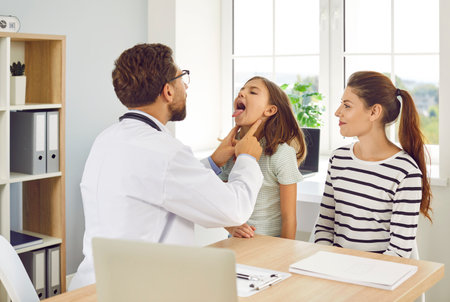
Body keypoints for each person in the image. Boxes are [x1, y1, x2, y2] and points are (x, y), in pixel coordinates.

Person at [69, 43, 264, 290]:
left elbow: (154, 183)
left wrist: (213, 162)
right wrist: (247, 159)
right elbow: (234, 210)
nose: (186, 86)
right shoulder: (166, 152)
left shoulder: (106, 139)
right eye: (183, 78)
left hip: (91, 287)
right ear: (168, 91)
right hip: (139, 292)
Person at [314, 71, 432, 258]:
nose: (338, 112)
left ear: (374, 111)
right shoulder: (338, 159)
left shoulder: (406, 173)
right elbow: (323, 227)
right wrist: (330, 262)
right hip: (334, 269)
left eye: (347, 105)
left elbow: (398, 253)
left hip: (378, 278)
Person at [220, 76, 306, 239]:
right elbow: (221, 203)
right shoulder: (229, 151)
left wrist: (284, 257)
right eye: (241, 90)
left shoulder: (281, 154)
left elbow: (289, 218)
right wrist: (231, 226)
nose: (241, 94)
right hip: (236, 243)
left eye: (252, 92)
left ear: (270, 110)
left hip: (269, 246)